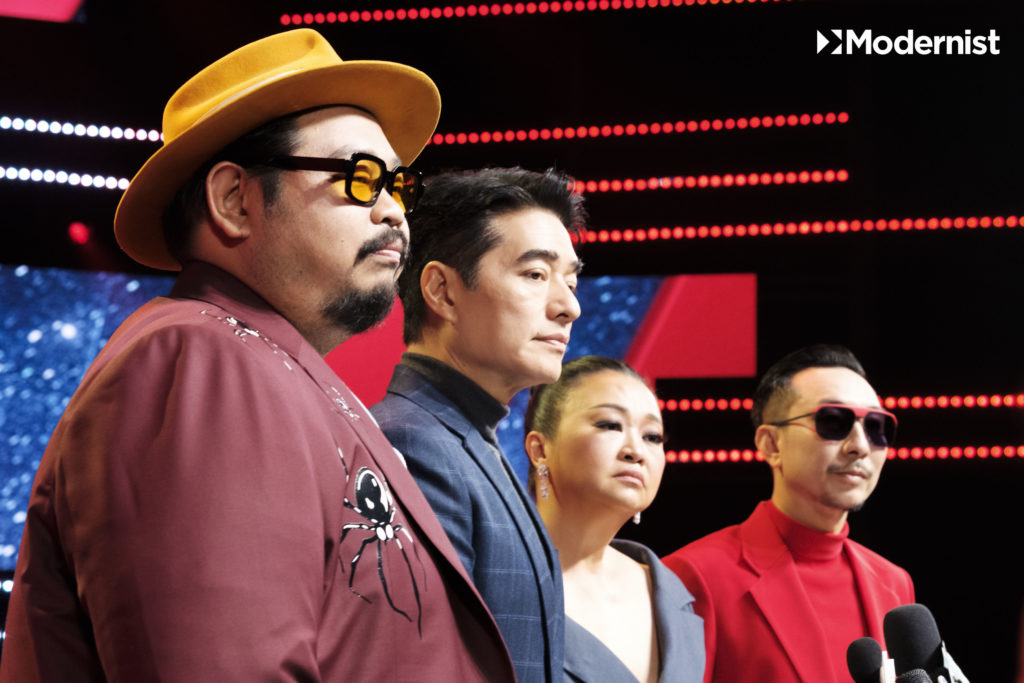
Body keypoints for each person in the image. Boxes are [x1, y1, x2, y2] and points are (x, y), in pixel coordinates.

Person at [0, 29, 515, 682]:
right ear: (234, 201)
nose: (394, 213)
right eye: (361, 178)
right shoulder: (199, 357)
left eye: (398, 185)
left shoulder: (259, 363)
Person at [370, 167, 585, 683]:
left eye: (571, 280)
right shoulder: (410, 443)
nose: (569, 307)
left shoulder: (464, 437)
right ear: (442, 291)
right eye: (535, 275)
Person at [662, 344, 915, 683]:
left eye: (876, 426)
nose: (860, 445)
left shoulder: (894, 583)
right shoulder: (692, 576)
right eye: (833, 421)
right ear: (771, 444)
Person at [524, 356, 705, 683]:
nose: (636, 451)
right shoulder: (493, 580)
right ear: (540, 450)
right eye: (609, 425)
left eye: (652, 436)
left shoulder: (670, 593)